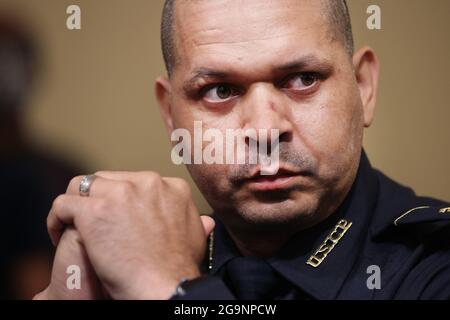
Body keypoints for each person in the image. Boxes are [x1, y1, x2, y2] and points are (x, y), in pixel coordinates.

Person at [34, 0, 450, 300]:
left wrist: (172, 291)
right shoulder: (122, 264)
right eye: (220, 90)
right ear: (170, 115)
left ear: (364, 88)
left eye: (303, 79)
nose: (266, 129)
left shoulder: (434, 269)